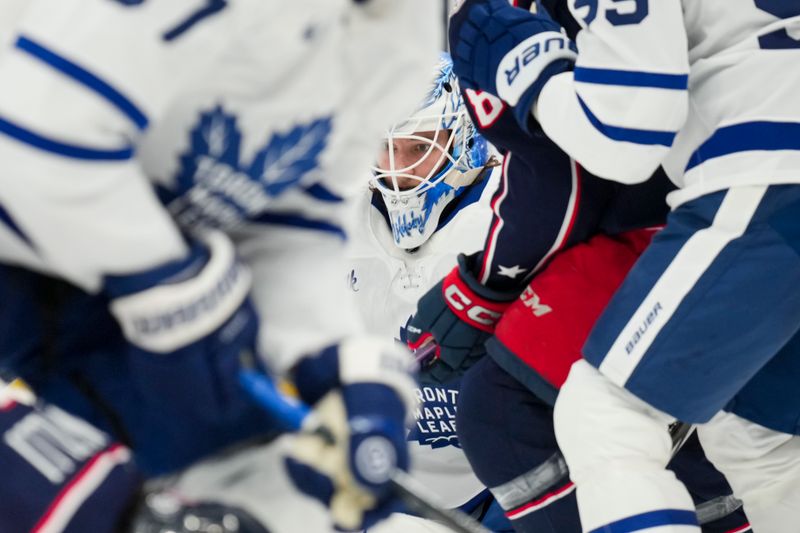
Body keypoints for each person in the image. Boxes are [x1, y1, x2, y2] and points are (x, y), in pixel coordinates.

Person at [0, 0, 440, 531]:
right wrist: (181, 294)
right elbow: (33, 141)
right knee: (86, 506)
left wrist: (326, 355)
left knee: (271, 494)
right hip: (44, 255)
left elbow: (293, 224)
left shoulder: (402, 36)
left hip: (95, 290)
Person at [447, 0, 800, 531]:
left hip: (771, 176)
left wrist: (525, 64)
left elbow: (627, 135)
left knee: (607, 420)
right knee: (759, 441)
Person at [345, 54, 512, 531]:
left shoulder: (516, 217)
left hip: (499, 486)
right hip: (368, 483)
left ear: (462, 137)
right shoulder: (334, 219)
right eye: (384, 148)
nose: (397, 173)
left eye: (416, 149)